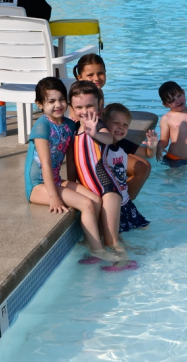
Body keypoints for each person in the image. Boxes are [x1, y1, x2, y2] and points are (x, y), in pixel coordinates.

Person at [24, 77, 119, 262]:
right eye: (51, 101)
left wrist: (72, 184)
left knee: (95, 199)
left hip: (55, 180)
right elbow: (45, 163)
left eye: (61, 100)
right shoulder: (42, 126)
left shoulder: (68, 125)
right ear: (39, 104)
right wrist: (54, 197)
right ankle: (97, 251)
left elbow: (70, 157)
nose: (57, 105)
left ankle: (90, 240)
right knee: (86, 204)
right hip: (37, 186)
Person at [72, 53, 152, 200]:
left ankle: (125, 202)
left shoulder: (99, 93)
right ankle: (123, 204)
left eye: (100, 73)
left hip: (108, 140)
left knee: (144, 166)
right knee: (141, 167)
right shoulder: (79, 99)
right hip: (96, 149)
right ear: (79, 77)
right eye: (90, 75)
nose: (96, 78)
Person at [68, 80, 127, 259]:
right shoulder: (75, 128)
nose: (84, 111)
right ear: (71, 107)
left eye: (89, 106)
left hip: (108, 190)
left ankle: (125, 261)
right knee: (101, 234)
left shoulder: (98, 125)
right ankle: (100, 253)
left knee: (112, 241)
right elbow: (73, 161)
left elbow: (109, 139)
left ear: (99, 105)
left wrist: (95, 133)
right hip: (91, 190)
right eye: (79, 107)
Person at [101, 103, 158, 232]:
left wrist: (152, 146)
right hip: (111, 202)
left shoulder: (123, 144)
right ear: (103, 123)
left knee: (146, 228)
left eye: (125, 125)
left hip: (125, 201)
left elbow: (148, 154)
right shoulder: (100, 147)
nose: (121, 127)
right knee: (116, 233)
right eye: (116, 123)